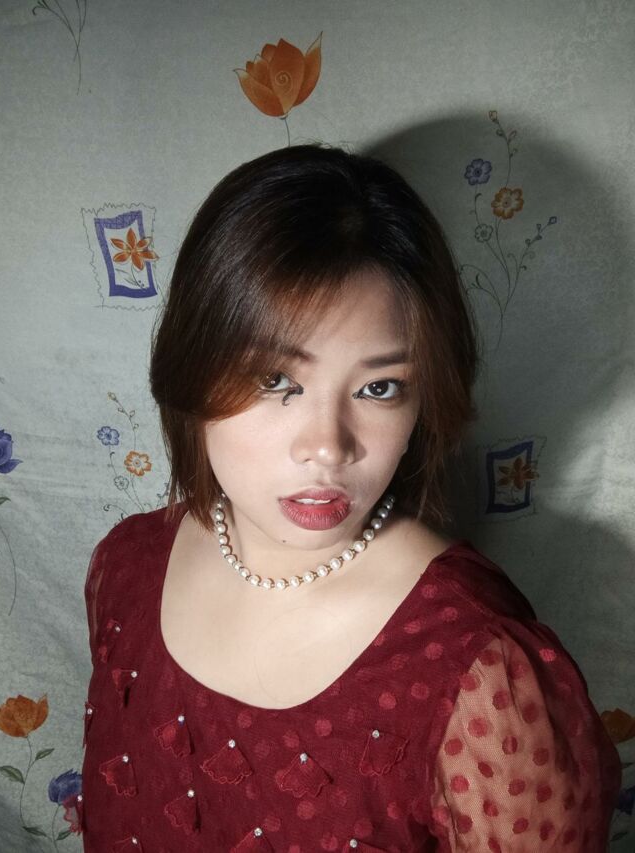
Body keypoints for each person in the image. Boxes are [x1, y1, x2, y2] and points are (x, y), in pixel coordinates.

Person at [80, 143, 621, 852]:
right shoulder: (127, 568)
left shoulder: (478, 669)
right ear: (194, 364)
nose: (328, 446)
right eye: (275, 381)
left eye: (378, 387)